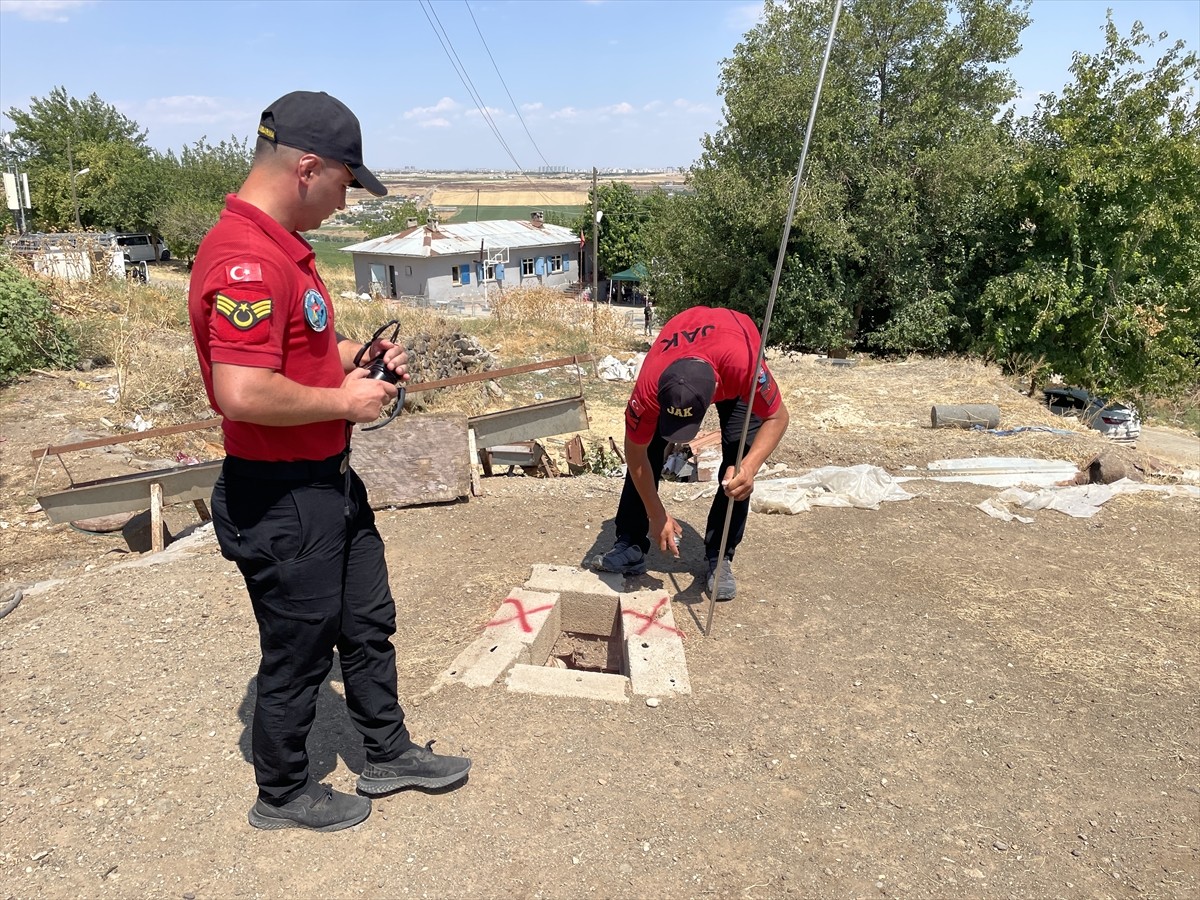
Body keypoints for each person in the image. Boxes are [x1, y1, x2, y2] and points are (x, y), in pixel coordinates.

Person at [187, 91, 471, 833]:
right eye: (346, 185)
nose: (345, 203)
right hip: (281, 496)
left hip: (327, 484)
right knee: (301, 649)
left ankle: (387, 753)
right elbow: (242, 390)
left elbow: (300, 357)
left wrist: (357, 360)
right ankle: (280, 794)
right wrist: (346, 404)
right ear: (307, 167)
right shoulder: (247, 257)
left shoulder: (282, 249)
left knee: (366, 623)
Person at [592, 306, 790, 600]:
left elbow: (778, 417)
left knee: (738, 460)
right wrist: (656, 515)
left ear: (713, 394)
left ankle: (719, 557)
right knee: (652, 447)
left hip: (733, 348)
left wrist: (748, 468)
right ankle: (631, 543)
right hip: (681, 350)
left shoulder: (744, 368)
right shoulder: (649, 386)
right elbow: (636, 454)